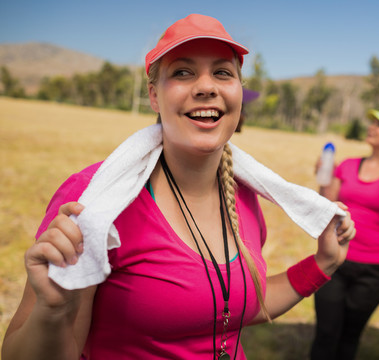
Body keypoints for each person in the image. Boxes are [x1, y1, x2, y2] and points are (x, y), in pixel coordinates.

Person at [1, 14, 355, 360]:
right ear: (154, 97)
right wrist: (52, 312)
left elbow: (232, 312)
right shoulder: (96, 201)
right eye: (183, 72)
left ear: (238, 93)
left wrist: (322, 265)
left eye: (222, 72)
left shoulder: (243, 195)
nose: (206, 86)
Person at [311, 108, 379, 359]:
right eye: (372, 121)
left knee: (350, 337)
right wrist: (324, 178)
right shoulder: (348, 165)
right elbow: (328, 204)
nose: (372, 127)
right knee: (326, 333)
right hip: (335, 259)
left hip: (374, 269)